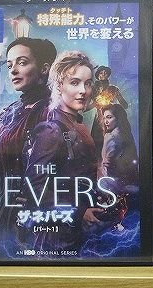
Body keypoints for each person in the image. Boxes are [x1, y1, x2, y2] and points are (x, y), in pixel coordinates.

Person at [0, 37, 57, 247]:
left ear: (44, 68)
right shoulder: (12, 111)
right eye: (9, 65)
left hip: (38, 212)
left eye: (22, 63)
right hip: (5, 207)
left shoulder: (53, 110)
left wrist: (45, 198)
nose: (13, 70)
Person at [20, 51, 102, 251]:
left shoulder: (77, 124)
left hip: (77, 231)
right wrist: (79, 212)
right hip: (56, 235)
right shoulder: (52, 130)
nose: (83, 90)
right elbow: (33, 186)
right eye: (74, 82)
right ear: (59, 85)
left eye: (88, 83)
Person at [99, 103, 139, 193]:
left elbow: (107, 166)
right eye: (104, 118)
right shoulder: (126, 135)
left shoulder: (110, 136)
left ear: (118, 118)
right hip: (131, 184)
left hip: (114, 185)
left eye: (109, 117)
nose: (106, 122)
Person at [90, 65, 129, 156]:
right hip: (99, 119)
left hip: (111, 118)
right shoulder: (94, 89)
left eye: (105, 73)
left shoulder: (113, 89)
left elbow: (125, 105)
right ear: (98, 75)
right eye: (101, 73)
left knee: (112, 143)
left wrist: (115, 106)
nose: (103, 74)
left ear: (108, 75)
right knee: (96, 144)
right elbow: (86, 104)